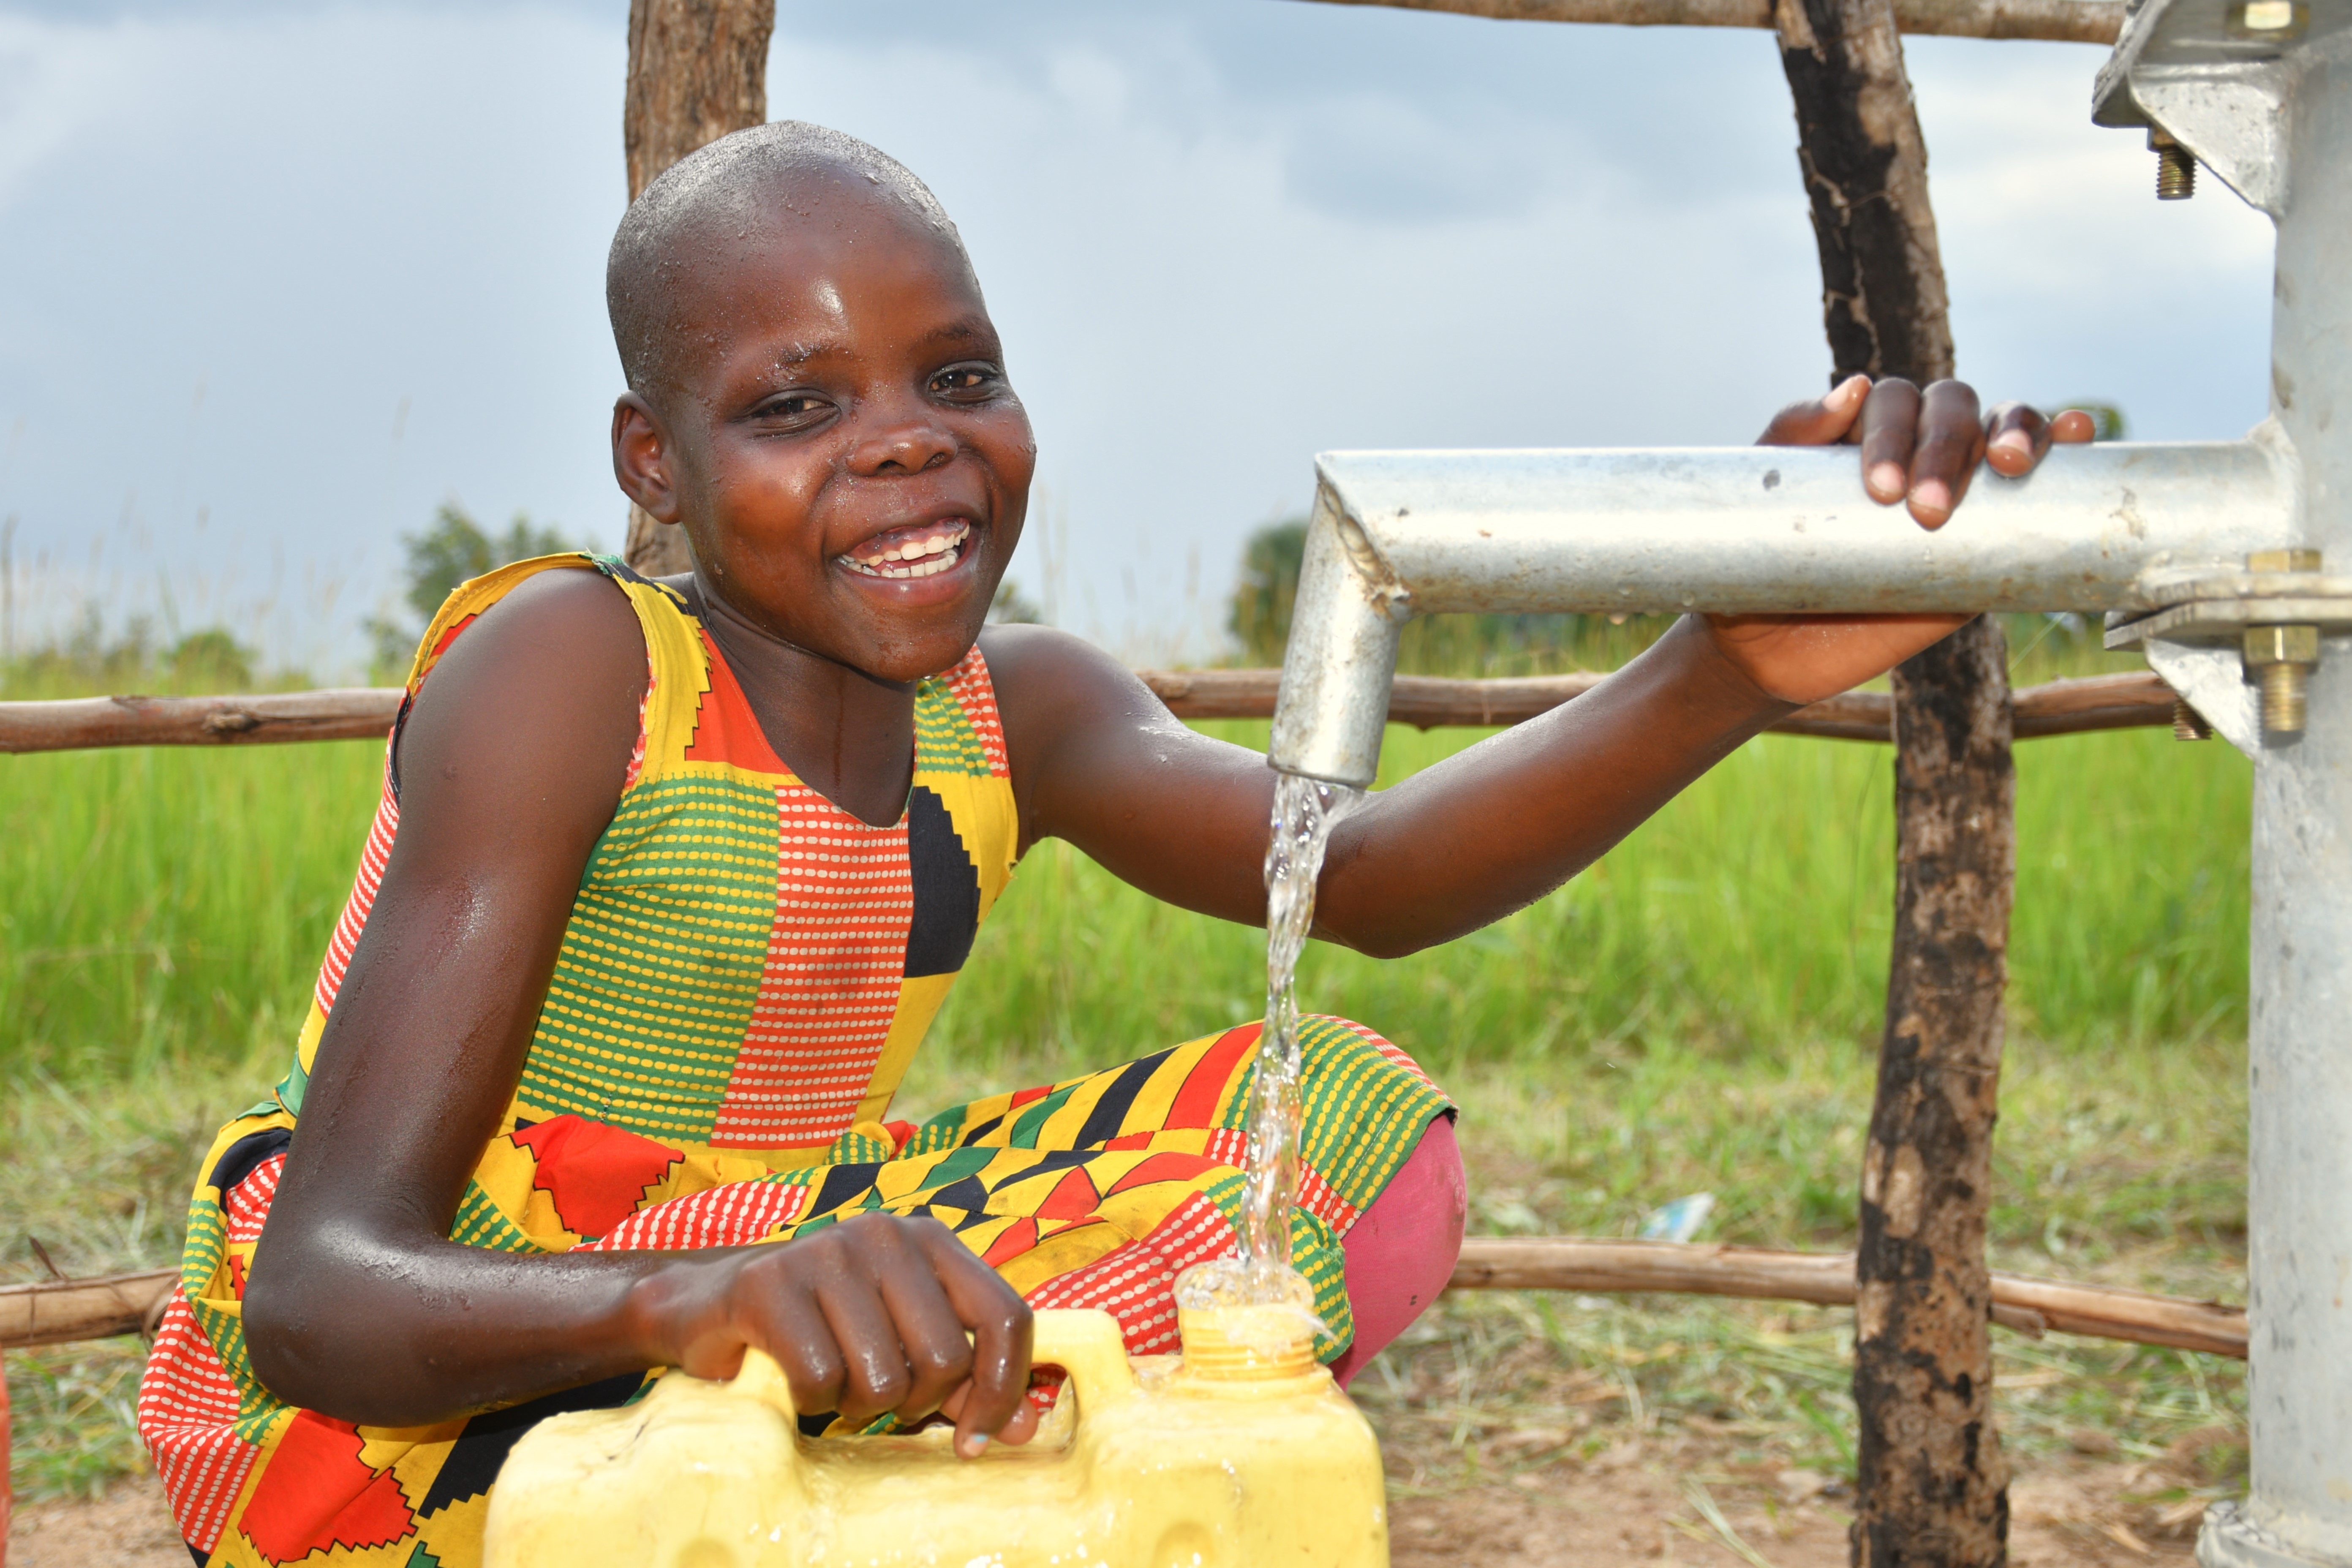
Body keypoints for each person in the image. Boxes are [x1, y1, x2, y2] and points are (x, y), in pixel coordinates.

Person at [136, 122, 2091, 1568]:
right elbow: (324, 1289)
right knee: (857, 1309)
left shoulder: (1025, 708)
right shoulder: (577, 670)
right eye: (795, 404)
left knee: (1338, 1122)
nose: (907, 444)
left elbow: (1375, 877)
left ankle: (882, 1493)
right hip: (419, 1390)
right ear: (657, 462)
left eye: (957, 377)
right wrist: (700, 1301)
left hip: (766, 1286)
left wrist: (1727, 659)